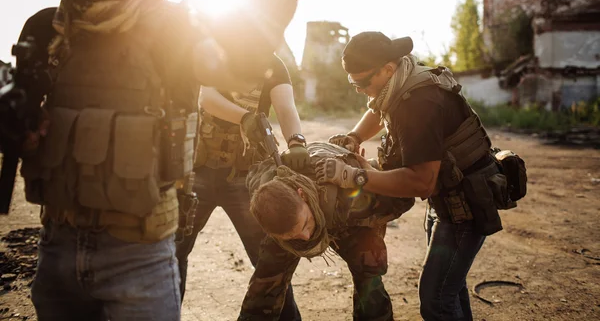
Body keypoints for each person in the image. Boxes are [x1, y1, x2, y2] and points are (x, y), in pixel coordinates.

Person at [13, 0, 312, 320]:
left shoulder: (175, 30)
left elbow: (230, 69)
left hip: (139, 256)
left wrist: (261, 29)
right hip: (57, 251)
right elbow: (21, 127)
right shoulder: (43, 31)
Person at [317, 31, 514, 321]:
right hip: (446, 198)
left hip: (465, 206)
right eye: (352, 82)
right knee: (451, 289)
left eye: (362, 82)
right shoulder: (404, 79)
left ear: (387, 69)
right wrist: (354, 135)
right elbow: (379, 108)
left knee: (436, 300)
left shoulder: (419, 104)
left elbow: (421, 181)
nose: (358, 90)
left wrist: (355, 176)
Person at [175, 61, 309, 321]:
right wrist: (245, 117)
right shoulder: (216, 53)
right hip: (197, 170)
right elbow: (207, 97)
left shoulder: (273, 64)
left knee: (268, 260)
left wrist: (296, 142)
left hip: (245, 177)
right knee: (173, 253)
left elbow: (285, 107)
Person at [238, 142, 415, 321]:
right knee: (266, 280)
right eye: (293, 236)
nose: (306, 237)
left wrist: (370, 174)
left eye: (306, 225)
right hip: (307, 210)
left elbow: (403, 198)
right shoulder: (267, 201)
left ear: (302, 195)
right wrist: (295, 232)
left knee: (369, 272)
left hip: (346, 218)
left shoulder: (348, 192)